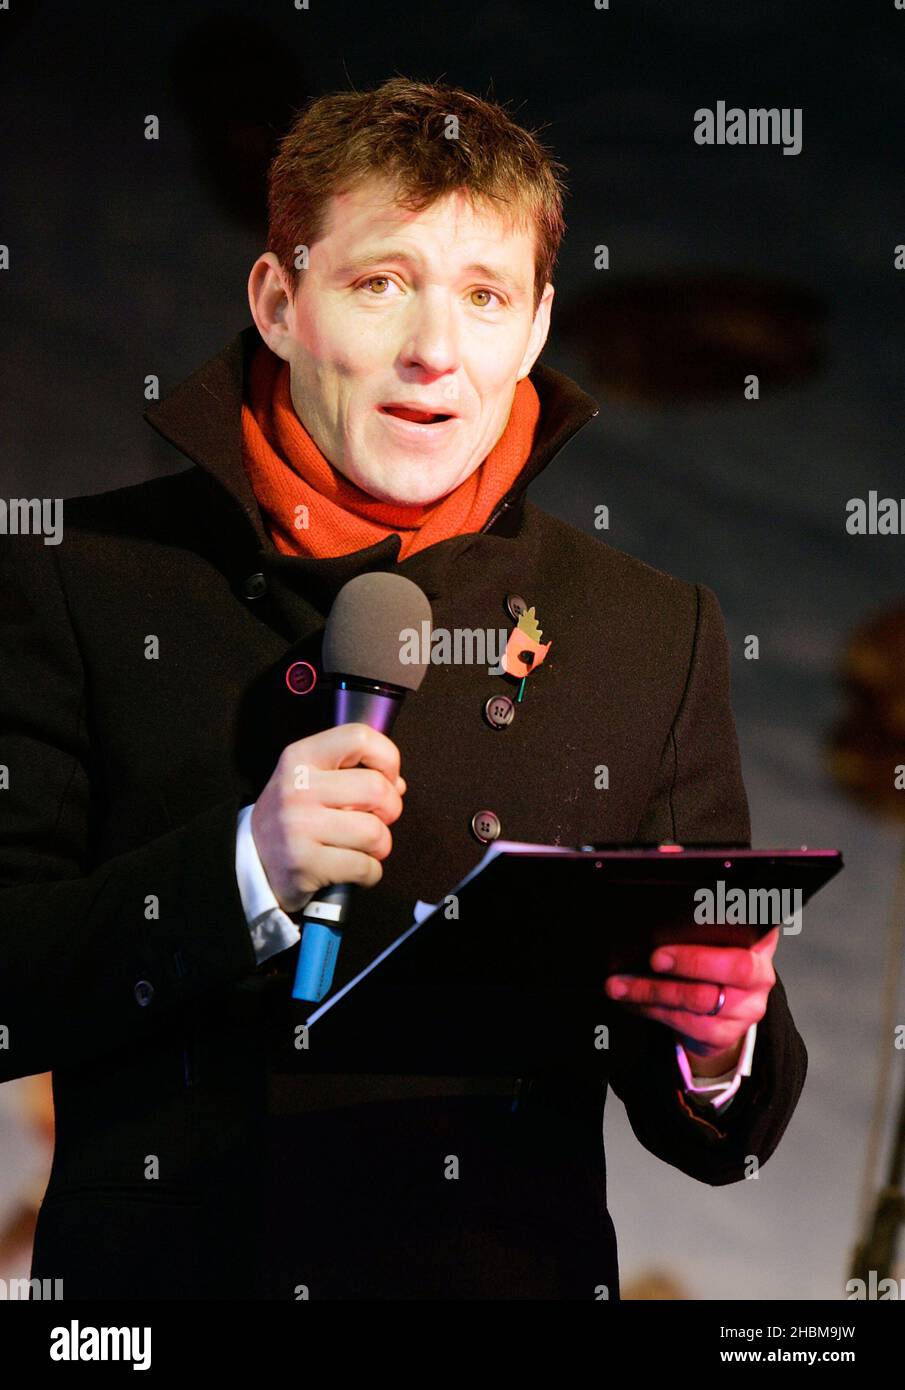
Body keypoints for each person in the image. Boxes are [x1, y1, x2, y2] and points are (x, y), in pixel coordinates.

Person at [0, 77, 804, 1300]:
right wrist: (242, 873)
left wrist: (718, 1041)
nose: (435, 350)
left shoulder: (649, 632)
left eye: (484, 298)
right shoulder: (82, 583)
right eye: (381, 283)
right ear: (278, 301)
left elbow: (715, 1133)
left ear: (534, 329)